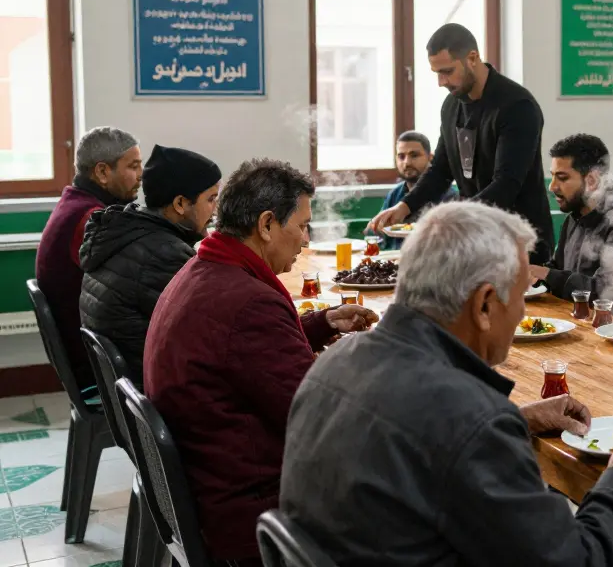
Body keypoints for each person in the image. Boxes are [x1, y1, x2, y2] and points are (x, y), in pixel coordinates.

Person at [281, 202, 613, 566]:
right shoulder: (470, 420)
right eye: (520, 296)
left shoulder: (333, 361)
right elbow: (577, 560)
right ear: (484, 305)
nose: (521, 312)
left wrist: (513, 420)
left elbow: (425, 439)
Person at [145, 159, 377, 566]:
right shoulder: (248, 303)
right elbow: (322, 421)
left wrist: (321, 323)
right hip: (253, 512)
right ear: (267, 225)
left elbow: (242, 355)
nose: (305, 241)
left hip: (211, 484)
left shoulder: (205, 269)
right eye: (303, 226)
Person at [367, 24, 555, 264]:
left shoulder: (516, 106)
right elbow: (440, 171)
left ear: (472, 58)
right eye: (436, 73)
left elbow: (506, 184)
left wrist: (451, 218)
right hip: (476, 239)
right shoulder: (451, 106)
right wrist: (404, 206)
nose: (441, 81)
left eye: (447, 71)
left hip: (519, 241)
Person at [79, 145, 222, 380]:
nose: (215, 209)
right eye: (211, 199)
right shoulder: (164, 255)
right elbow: (208, 331)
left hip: (124, 386)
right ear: (180, 204)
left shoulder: (125, 230)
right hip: (149, 391)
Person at [35, 127, 142, 392]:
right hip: (95, 365)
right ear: (103, 172)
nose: (141, 176)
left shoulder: (75, 203)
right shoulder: (90, 220)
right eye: (133, 166)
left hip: (85, 350)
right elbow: (129, 288)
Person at [529, 134, 613, 308]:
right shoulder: (574, 216)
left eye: (562, 178)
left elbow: (608, 292)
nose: (552, 186)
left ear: (592, 180)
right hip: (577, 320)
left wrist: (546, 274)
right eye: (553, 176)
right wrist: (529, 275)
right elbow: (557, 268)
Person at [380, 131, 457, 249]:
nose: (407, 162)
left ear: (430, 158)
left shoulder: (448, 197)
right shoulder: (394, 194)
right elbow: (381, 237)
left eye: (414, 155)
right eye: (401, 156)